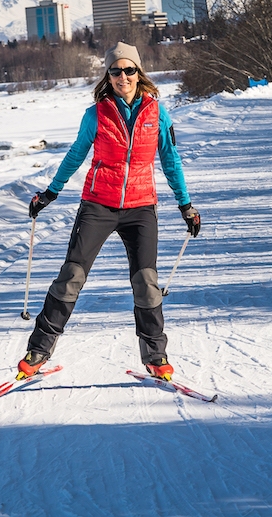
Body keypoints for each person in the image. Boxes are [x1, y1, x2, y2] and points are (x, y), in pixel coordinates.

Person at [18, 42, 200, 382]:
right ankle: (38, 350)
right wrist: (51, 192)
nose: (122, 77)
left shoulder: (157, 113)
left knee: (147, 283)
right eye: (115, 71)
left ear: (139, 73)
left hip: (140, 207)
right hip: (98, 204)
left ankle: (156, 357)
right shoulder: (96, 114)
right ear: (108, 75)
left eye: (129, 70)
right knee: (72, 275)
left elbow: (171, 160)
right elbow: (76, 154)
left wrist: (185, 204)